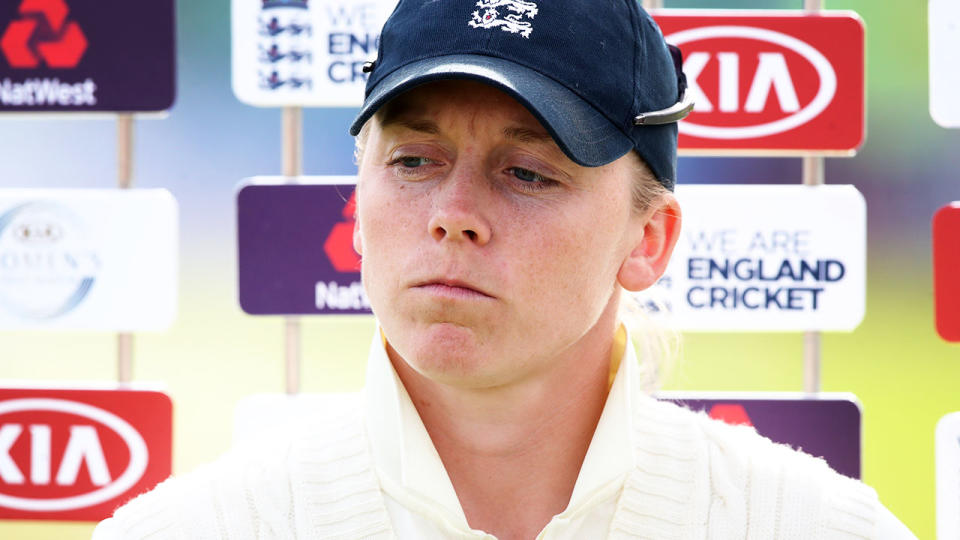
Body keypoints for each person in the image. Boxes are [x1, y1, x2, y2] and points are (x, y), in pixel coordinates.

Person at [94, 0, 917, 538]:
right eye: (414, 161)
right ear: (357, 201)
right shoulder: (193, 528)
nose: (453, 212)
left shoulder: (815, 526)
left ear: (650, 241)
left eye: (528, 173)